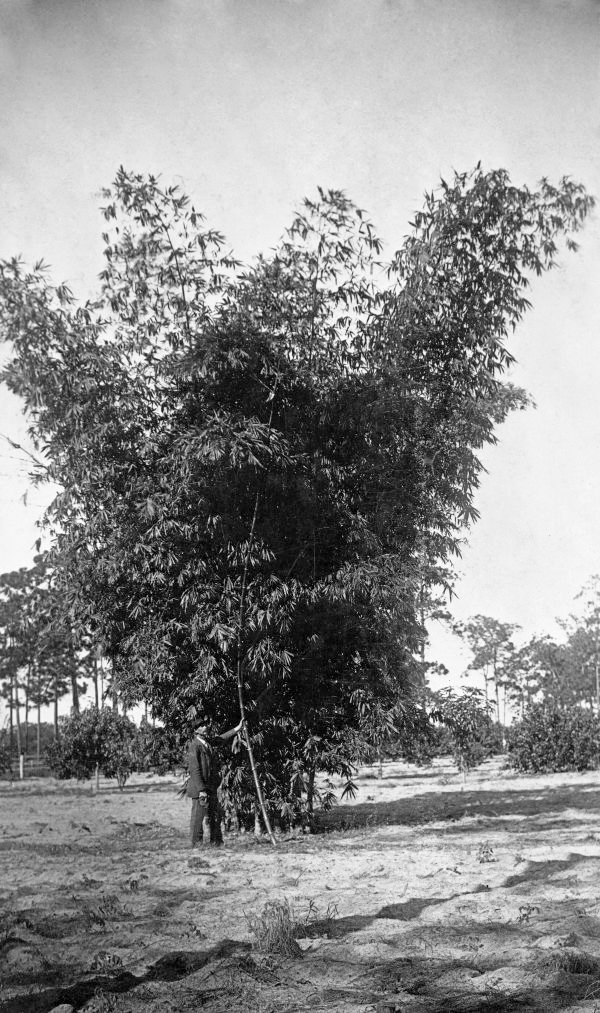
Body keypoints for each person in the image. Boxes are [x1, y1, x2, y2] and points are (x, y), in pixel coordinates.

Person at [187, 711, 245, 847]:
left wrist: (238, 728)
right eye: (201, 726)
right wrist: (201, 790)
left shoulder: (207, 742)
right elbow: (195, 770)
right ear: (196, 730)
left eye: (205, 725)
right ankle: (195, 845)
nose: (205, 727)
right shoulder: (194, 746)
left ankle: (216, 842)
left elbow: (221, 738)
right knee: (198, 817)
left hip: (210, 786)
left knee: (214, 814)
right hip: (199, 788)